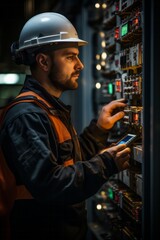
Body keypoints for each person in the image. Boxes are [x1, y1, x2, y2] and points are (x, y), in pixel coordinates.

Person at [1, 12, 130, 240]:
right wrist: (106, 163)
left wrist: (99, 129)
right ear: (43, 61)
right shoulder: (26, 116)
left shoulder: (47, 108)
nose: (80, 65)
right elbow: (51, 184)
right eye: (70, 57)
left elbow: (68, 160)